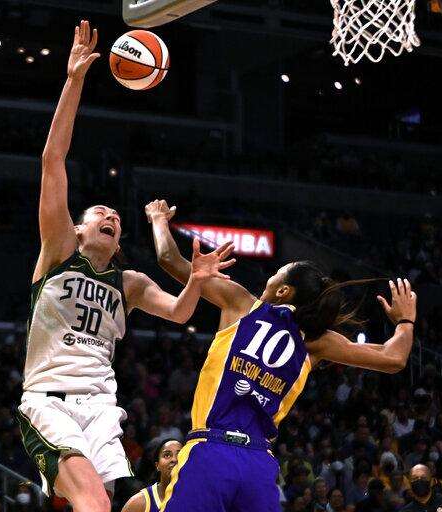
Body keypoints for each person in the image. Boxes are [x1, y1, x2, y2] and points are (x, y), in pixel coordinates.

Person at [16, 22, 234, 512]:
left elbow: (179, 313)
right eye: (100, 212)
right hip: (51, 399)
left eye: (115, 216)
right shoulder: (59, 251)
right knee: (93, 499)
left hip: (100, 406)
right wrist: (73, 80)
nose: (111, 215)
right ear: (78, 229)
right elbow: (53, 159)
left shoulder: (129, 283)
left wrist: (197, 281)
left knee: (104, 503)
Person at [147, 200, 417, 512]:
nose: (270, 276)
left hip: (212, 450)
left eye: (277, 273)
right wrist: (405, 321)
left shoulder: (242, 303)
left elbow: (168, 258)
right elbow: (394, 358)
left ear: (283, 291)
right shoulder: (316, 341)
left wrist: (158, 218)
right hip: (259, 465)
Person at [122, 439, 183, 512]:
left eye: (179, 455)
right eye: (167, 455)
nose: (174, 459)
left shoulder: (194, 497)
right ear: (157, 465)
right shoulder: (139, 503)